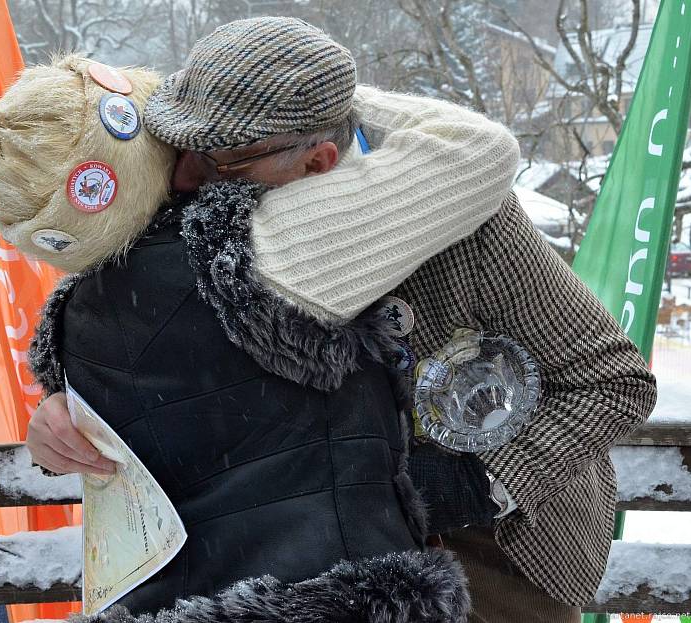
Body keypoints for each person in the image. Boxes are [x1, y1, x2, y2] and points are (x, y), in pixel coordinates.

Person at [137, 16, 655, 623]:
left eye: (220, 163)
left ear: (318, 162)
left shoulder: (469, 223)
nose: (182, 179)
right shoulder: (208, 207)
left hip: (494, 557)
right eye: (183, 150)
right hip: (307, 558)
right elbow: (128, 331)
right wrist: (70, 403)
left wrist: (480, 481)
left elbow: (615, 382)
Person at [0, 53, 487, 622]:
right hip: (334, 594)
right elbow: (474, 149)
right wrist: (334, 103)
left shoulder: (79, 315)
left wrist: (58, 414)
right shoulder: (268, 247)